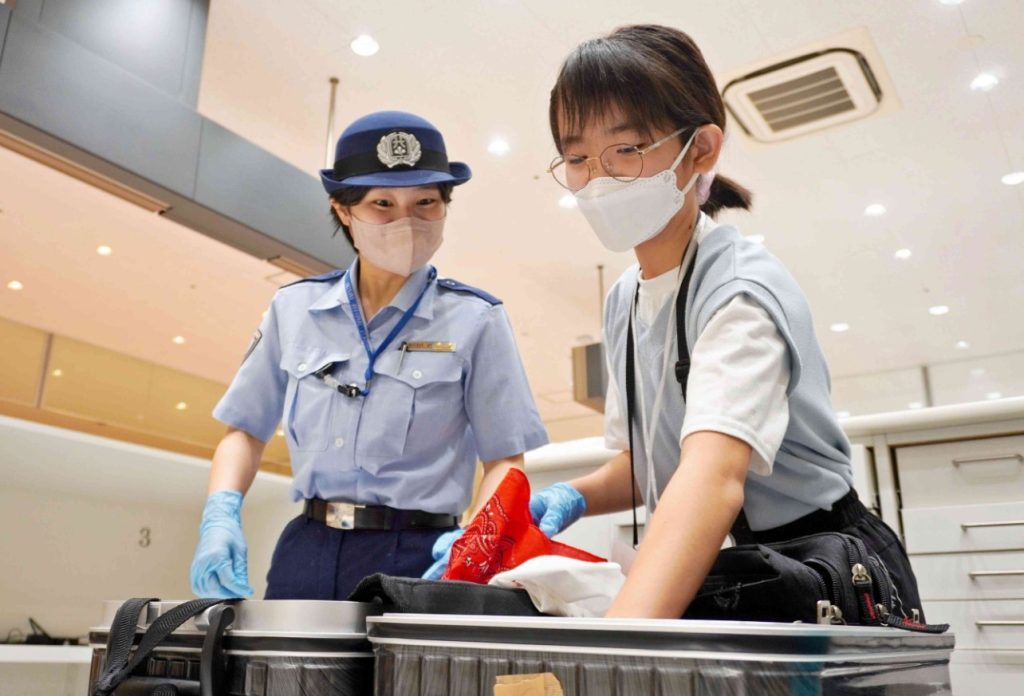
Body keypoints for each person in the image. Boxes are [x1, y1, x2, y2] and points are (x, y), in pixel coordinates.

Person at [528, 25, 925, 620]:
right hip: (731, 563)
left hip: (819, 564)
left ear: (701, 150)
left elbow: (714, 476)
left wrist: (618, 642)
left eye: (627, 149)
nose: (599, 179)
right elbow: (650, 463)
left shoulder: (739, 291)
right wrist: (568, 497)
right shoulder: (624, 299)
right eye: (579, 158)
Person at [190, 111, 548, 600]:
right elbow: (245, 431)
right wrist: (220, 514)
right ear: (343, 210)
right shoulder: (294, 309)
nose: (406, 221)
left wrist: (477, 544)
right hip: (308, 547)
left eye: (425, 202)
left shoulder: (476, 319)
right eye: (382, 203)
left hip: (422, 553)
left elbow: (506, 458)